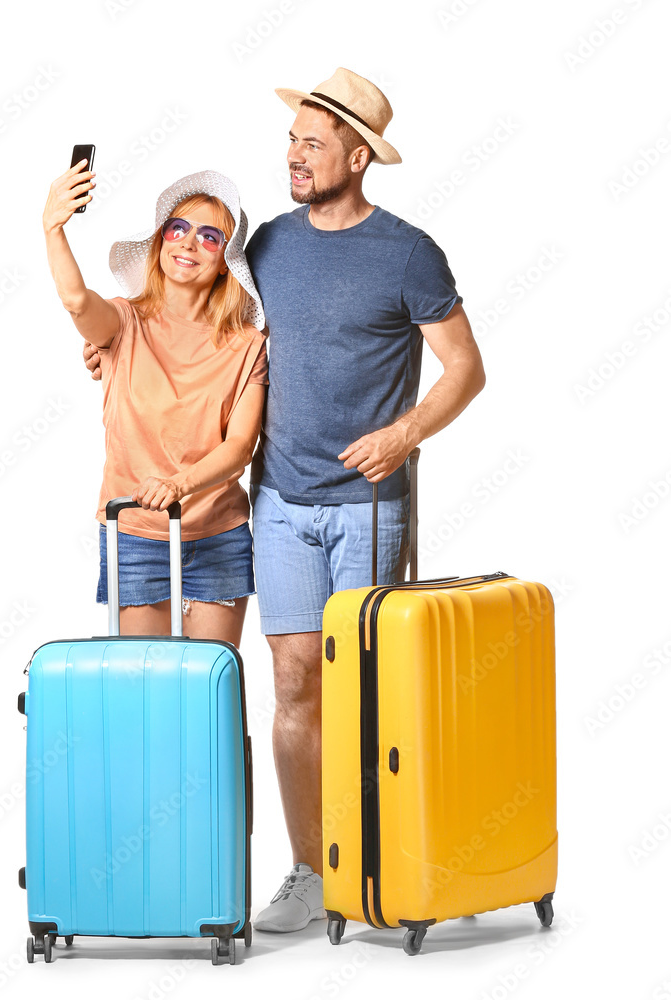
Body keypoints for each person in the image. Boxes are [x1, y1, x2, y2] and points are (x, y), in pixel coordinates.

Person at [83, 68, 486, 933]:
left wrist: (404, 433)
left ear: (357, 153)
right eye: (291, 141)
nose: (294, 156)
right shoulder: (266, 242)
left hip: (368, 507)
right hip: (279, 502)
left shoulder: (409, 252)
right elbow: (203, 313)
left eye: (311, 143)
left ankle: (376, 862)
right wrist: (116, 355)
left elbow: (465, 370)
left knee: (366, 689)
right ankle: (309, 871)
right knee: (294, 682)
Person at [43, 168, 268, 646]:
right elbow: (76, 301)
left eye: (210, 237)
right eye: (178, 229)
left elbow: (241, 446)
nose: (188, 244)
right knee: (144, 687)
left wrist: (177, 485)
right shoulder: (122, 322)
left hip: (218, 536)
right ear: (161, 240)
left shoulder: (248, 345)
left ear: (226, 260)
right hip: (135, 533)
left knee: (209, 688)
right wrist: (53, 229)